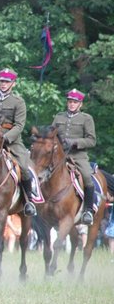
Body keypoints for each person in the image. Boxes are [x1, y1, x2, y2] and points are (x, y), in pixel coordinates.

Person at [0, 68, 36, 217]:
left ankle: (29, 200)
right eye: (2, 81)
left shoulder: (18, 101)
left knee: (23, 166)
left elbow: (19, 125)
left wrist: (5, 137)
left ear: (13, 84)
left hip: (11, 140)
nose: (3, 84)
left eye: (7, 82)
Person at [52, 89, 96, 225]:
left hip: (78, 157)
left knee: (88, 177)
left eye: (75, 102)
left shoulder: (86, 118)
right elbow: (51, 133)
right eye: (70, 102)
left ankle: (88, 210)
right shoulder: (59, 117)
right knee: (42, 172)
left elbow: (91, 140)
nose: (71, 104)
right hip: (58, 156)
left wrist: (75, 142)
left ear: (80, 104)